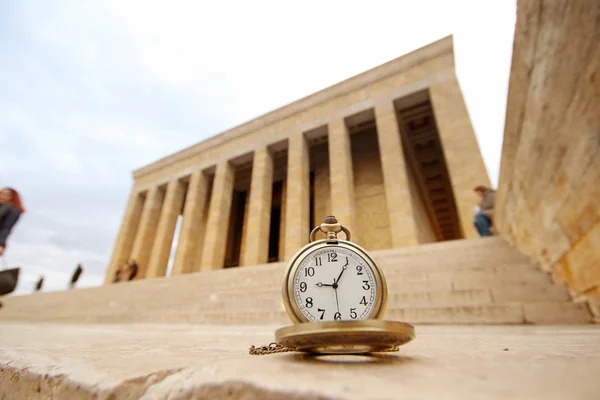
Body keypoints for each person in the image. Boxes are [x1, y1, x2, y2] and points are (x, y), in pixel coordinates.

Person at [0, 187, 25, 256]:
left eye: (5, 194)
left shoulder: (13, 210)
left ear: (11, 197)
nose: (2, 196)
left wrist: (1, 244)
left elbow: (6, 227)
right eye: (1, 193)